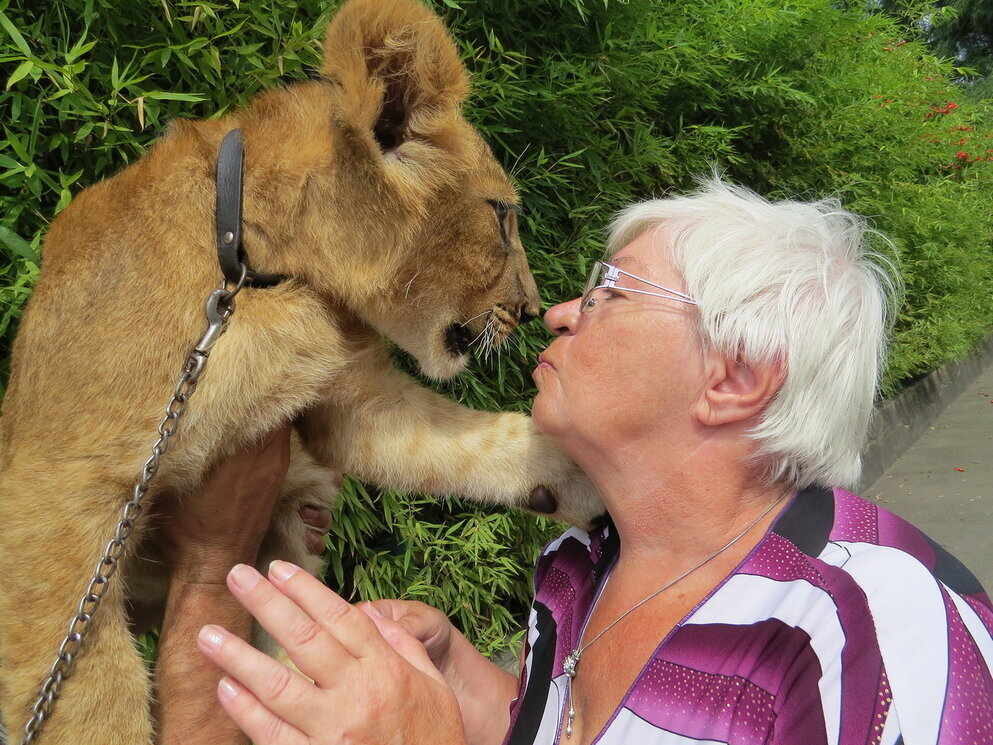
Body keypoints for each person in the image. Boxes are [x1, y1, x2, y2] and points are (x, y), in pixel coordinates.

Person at [158, 178, 993, 745]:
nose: (558, 310)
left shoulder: (871, 634)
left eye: (609, 291)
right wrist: (469, 687)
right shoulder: (580, 564)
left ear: (735, 375)